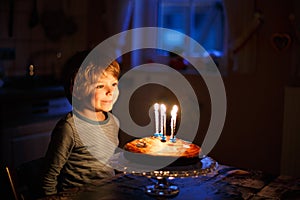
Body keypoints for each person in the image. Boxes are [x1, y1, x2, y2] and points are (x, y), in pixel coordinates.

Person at [42, 51, 121, 196]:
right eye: (100, 86)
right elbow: (48, 178)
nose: (111, 91)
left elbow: (111, 165)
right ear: (77, 90)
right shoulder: (69, 128)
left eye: (114, 84)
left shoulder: (113, 122)